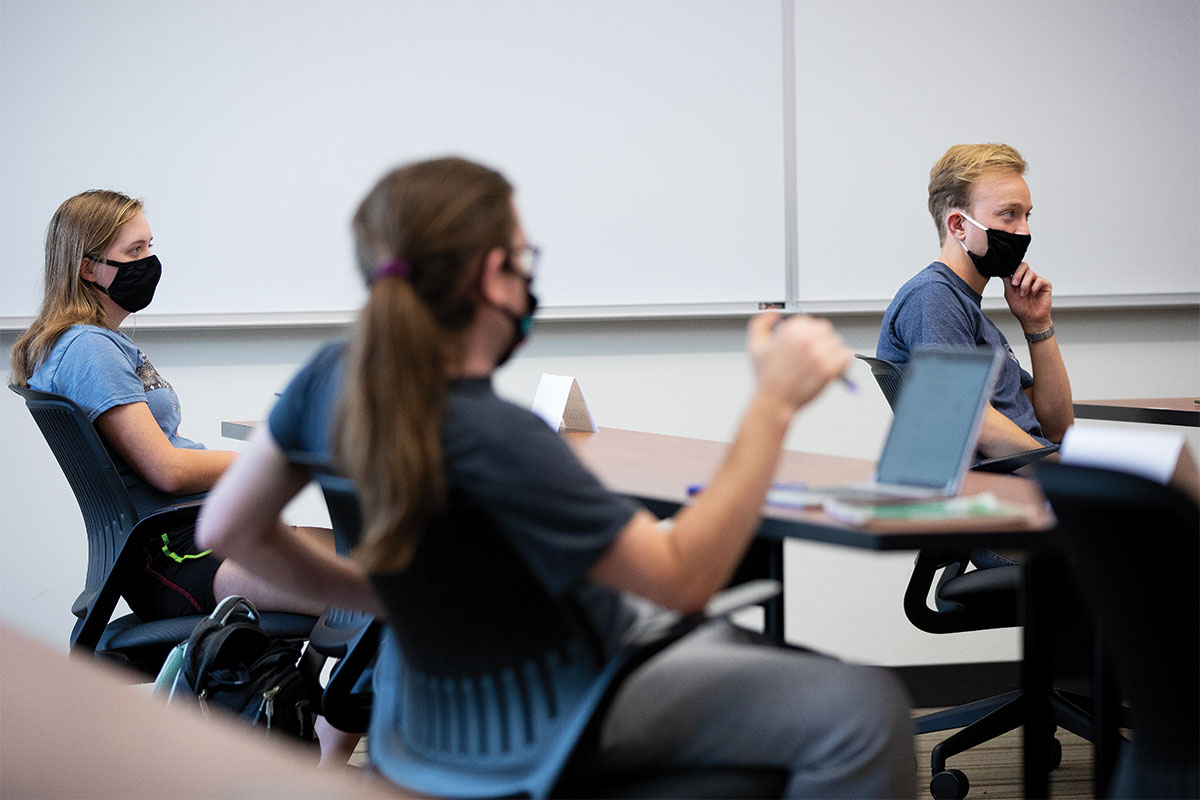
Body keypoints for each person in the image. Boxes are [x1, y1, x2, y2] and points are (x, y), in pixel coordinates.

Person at [197, 157, 916, 798]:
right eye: (523, 255)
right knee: (863, 709)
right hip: (568, 711)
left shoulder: (328, 379)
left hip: (426, 720)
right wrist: (773, 403)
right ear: (490, 274)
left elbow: (227, 528)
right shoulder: (498, 435)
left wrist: (379, 596)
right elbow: (683, 579)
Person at [9, 189, 359, 765]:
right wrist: (280, 455)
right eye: (135, 249)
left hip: (195, 542)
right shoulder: (88, 349)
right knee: (376, 595)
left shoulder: (88, 344)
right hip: (180, 557)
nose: (149, 261)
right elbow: (167, 470)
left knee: (389, 571)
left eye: (151, 245)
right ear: (87, 267)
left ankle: (314, 765)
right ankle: (324, 773)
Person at [877, 143, 1073, 461]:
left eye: (1027, 216)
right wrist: (1067, 472)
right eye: (1009, 214)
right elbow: (971, 423)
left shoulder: (968, 308)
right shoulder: (934, 297)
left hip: (1029, 477)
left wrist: (1038, 325)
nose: (1024, 231)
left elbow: (1057, 428)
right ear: (958, 226)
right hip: (1001, 488)